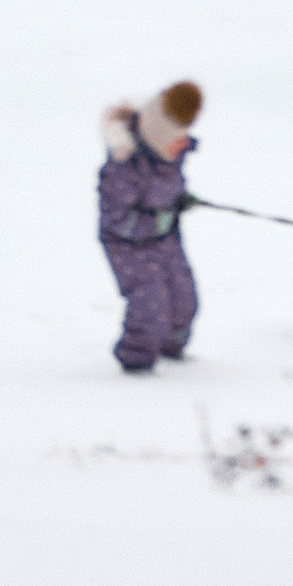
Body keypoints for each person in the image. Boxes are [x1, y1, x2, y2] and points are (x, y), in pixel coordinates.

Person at [97, 81, 202, 373]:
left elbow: (166, 186)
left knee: (184, 299)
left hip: (165, 240)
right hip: (128, 246)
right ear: (158, 140)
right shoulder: (124, 168)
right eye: (176, 141)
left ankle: (171, 346)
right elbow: (115, 220)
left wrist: (179, 201)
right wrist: (157, 220)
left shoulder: (167, 156)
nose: (183, 145)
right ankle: (137, 361)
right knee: (151, 304)